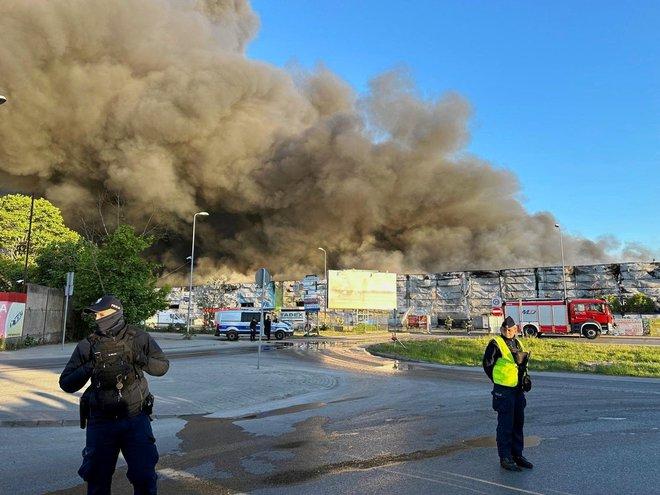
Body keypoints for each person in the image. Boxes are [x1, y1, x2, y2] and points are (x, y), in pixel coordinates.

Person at [59, 295, 170, 494]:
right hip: (101, 423)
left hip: (135, 420)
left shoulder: (138, 337)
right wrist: (91, 365)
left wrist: (136, 356)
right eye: (95, 314)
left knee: (144, 477)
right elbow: (66, 383)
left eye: (101, 313)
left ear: (115, 312)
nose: (97, 318)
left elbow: (162, 366)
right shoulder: (88, 344)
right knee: (97, 480)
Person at [482, 315, 533, 472]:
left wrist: (525, 379)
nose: (506, 331)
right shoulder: (496, 343)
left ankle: (517, 455)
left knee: (518, 423)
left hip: (517, 389)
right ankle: (505, 457)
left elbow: (520, 365)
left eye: (509, 329)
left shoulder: (518, 343)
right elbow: (487, 364)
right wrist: (498, 380)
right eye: (504, 329)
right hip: (504, 391)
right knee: (505, 425)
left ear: (515, 329)